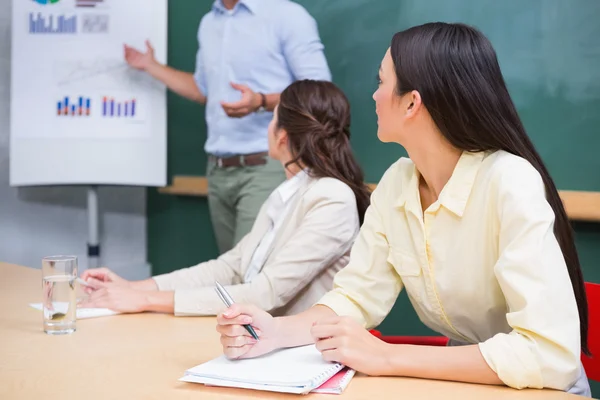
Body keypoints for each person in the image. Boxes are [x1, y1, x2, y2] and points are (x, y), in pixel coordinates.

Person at [215, 23, 591, 396]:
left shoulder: (509, 181)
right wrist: (274, 332)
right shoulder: (397, 182)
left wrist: (388, 357)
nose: (374, 95)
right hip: (466, 384)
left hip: (540, 390)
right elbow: (355, 296)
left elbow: (548, 355)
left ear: (412, 102)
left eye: (381, 82)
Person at [80, 80, 371, 317]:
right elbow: (231, 268)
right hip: (261, 344)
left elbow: (263, 295)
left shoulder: (332, 198)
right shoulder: (286, 194)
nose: (268, 128)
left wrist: (143, 300)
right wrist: (136, 287)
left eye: (272, 118)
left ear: (283, 136)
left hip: (303, 356)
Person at [123, 0, 331, 254]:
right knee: (231, 271)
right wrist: (151, 66)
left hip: (268, 166)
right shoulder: (209, 23)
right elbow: (204, 91)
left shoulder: (287, 16)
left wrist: (261, 102)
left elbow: (320, 90)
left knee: (250, 272)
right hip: (218, 170)